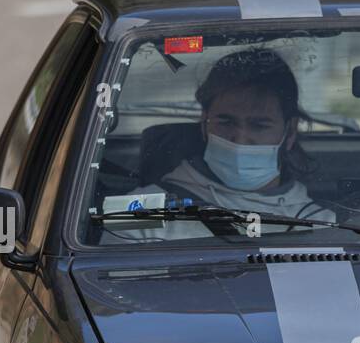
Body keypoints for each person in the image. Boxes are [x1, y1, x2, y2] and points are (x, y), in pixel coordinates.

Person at [134, 48, 334, 224]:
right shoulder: (142, 213)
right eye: (226, 122)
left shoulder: (320, 223)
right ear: (204, 124)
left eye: (259, 125)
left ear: (289, 132)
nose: (239, 139)